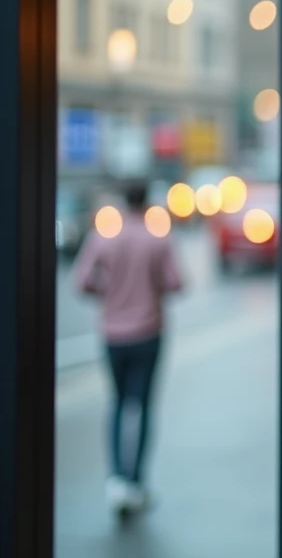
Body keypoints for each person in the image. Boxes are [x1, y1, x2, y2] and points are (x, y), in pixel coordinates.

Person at [74, 180, 183, 518]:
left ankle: (117, 479)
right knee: (145, 406)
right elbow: (176, 282)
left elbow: (82, 281)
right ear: (146, 201)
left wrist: (107, 293)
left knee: (118, 404)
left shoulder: (103, 238)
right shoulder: (156, 238)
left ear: (123, 201)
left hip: (113, 333)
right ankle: (136, 482)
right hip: (148, 331)